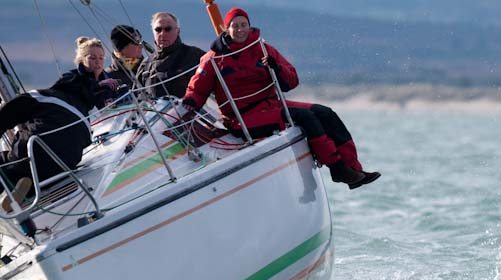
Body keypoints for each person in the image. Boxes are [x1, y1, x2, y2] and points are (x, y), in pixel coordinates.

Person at [182, 8, 380, 189]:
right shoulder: (213, 58)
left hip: (270, 105)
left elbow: (291, 81)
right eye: (235, 26)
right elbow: (197, 90)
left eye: (244, 25)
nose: (240, 30)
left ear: (249, 26)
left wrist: (276, 67)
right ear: (226, 29)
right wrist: (188, 105)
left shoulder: (262, 48)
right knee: (305, 117)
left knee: (325, 113)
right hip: (242, 117)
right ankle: (337, 169)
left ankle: (354, 169)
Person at [0, 37, 118, 200]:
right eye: (92, 58)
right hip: (67, 162)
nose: (97, 62)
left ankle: (20, 188)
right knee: (40, 165)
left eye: (100, 58)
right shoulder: (83, 115)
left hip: (34, 155)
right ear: (81, 60)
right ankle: (29, 189)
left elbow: (8, 113)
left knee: (10, 163)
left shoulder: (44, 97)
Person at [137, 12, 205, 98]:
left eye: (168, 29)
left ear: (178, 31)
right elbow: (138, 97)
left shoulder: (196, 56)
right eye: (158, 29)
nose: (162, 33)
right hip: (153, 110)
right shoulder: (146, 65)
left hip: (188, 109)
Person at [105, 25, 145, 89]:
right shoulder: (108, 77)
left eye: (140, 41)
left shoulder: (149, 68)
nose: (141, 46)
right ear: (122, 49)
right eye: (136, 42)